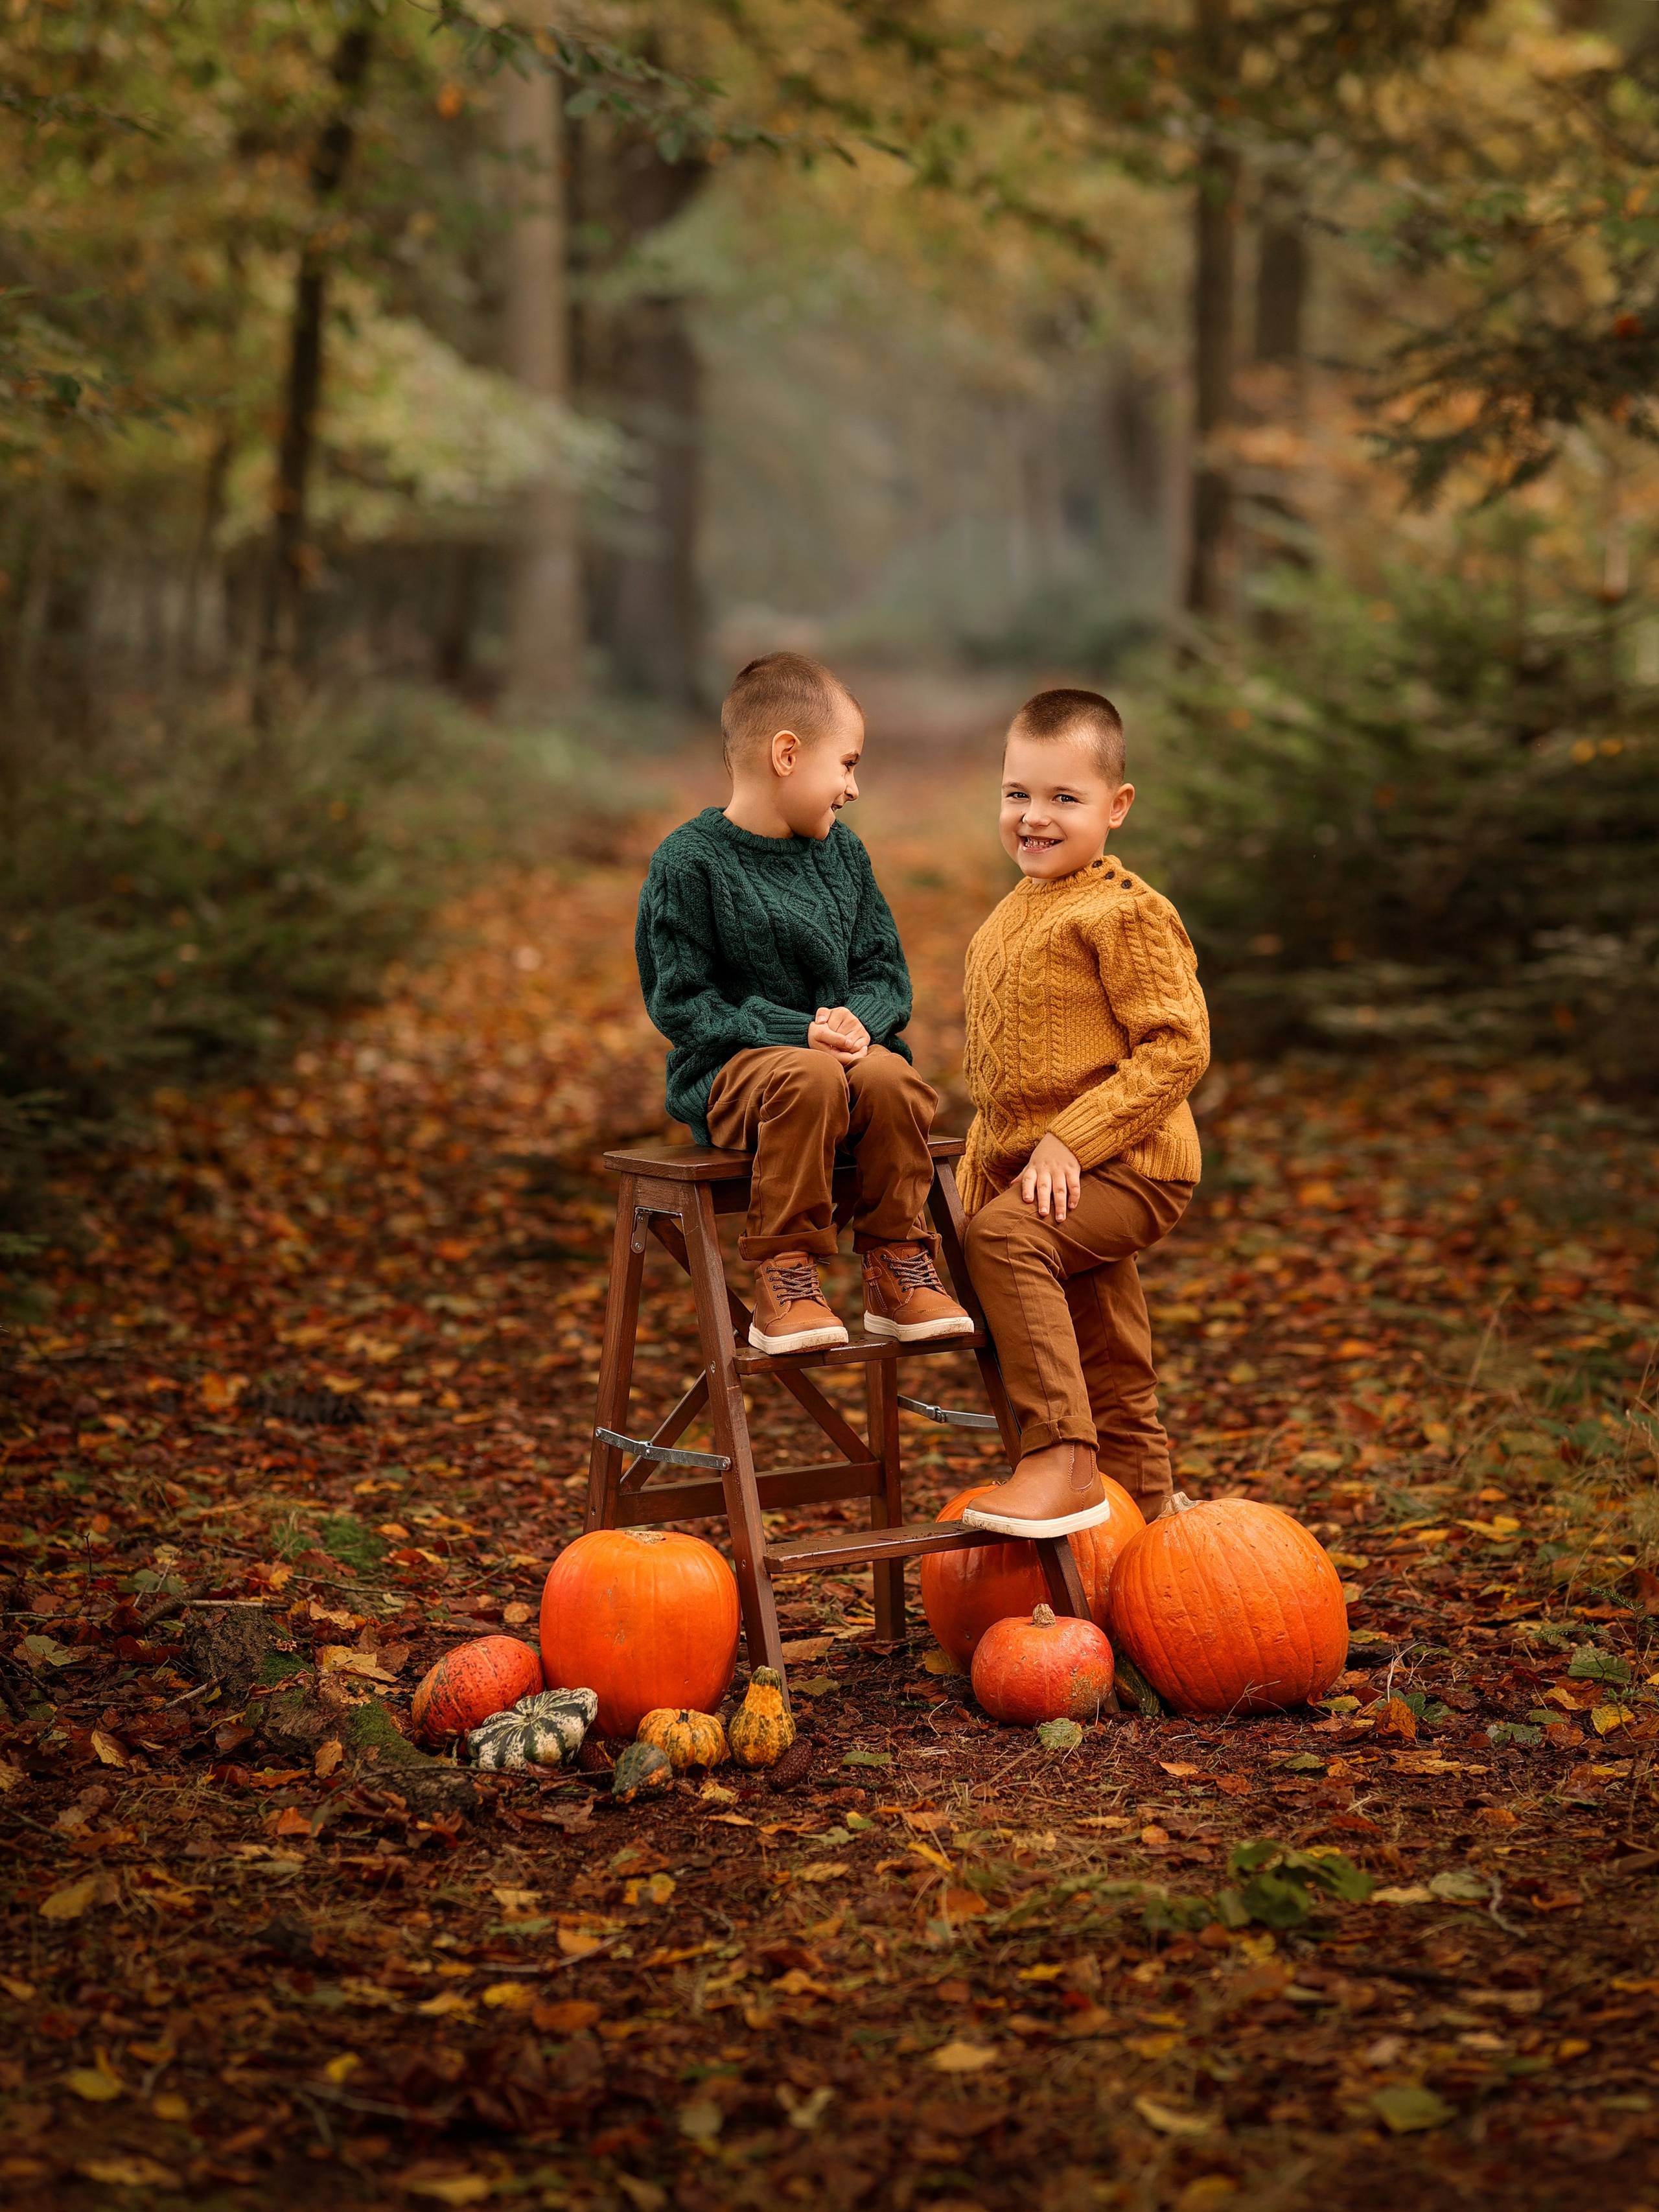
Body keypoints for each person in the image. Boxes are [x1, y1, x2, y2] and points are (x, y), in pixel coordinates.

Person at [636, 651, 974, 1354]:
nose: (853, 787)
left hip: (843, 1069)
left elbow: (885, 975)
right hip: (737, 1078)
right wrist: (800, 1030)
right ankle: (785, 1274)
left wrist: (859, 1020)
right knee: (809, 1073)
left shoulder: (843, 856)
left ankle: (896, 1266)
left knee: (892, 1077)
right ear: (786, 754)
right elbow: (681, 1003)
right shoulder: (689, 862)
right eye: (846, 764)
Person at [957, 687, 1209, 1538]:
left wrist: (1072, 1137)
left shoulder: (1125, 912)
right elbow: (1005, 1093)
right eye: (1017, 793)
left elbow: (1178, 1047)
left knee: (1006, 1237)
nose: (1035, 816)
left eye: (1064, 798)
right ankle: (1155, 1538)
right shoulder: (1011, 916)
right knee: (1110, 1355)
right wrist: (975, 1181)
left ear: (1117, 807)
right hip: (1063, 1178)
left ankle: (1062, 1457)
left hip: (1131, 1166)